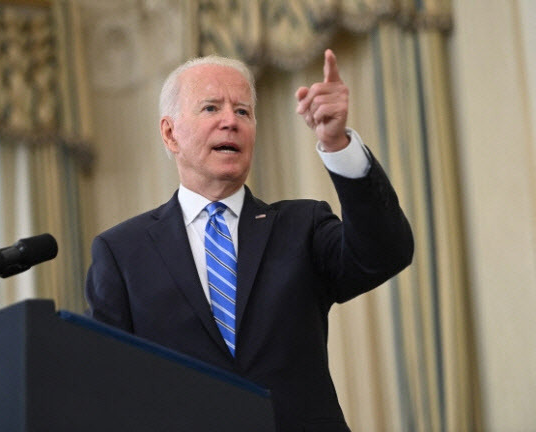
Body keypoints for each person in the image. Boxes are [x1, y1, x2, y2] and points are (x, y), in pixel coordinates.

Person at [85, 49, 413, 431]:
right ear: (170, 133)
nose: (230, 121)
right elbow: (104, 385)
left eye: (243, 111)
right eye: (211, 108)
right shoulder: (122, 252)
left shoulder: (301, 226)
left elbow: (385, 252)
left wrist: (338, 144)